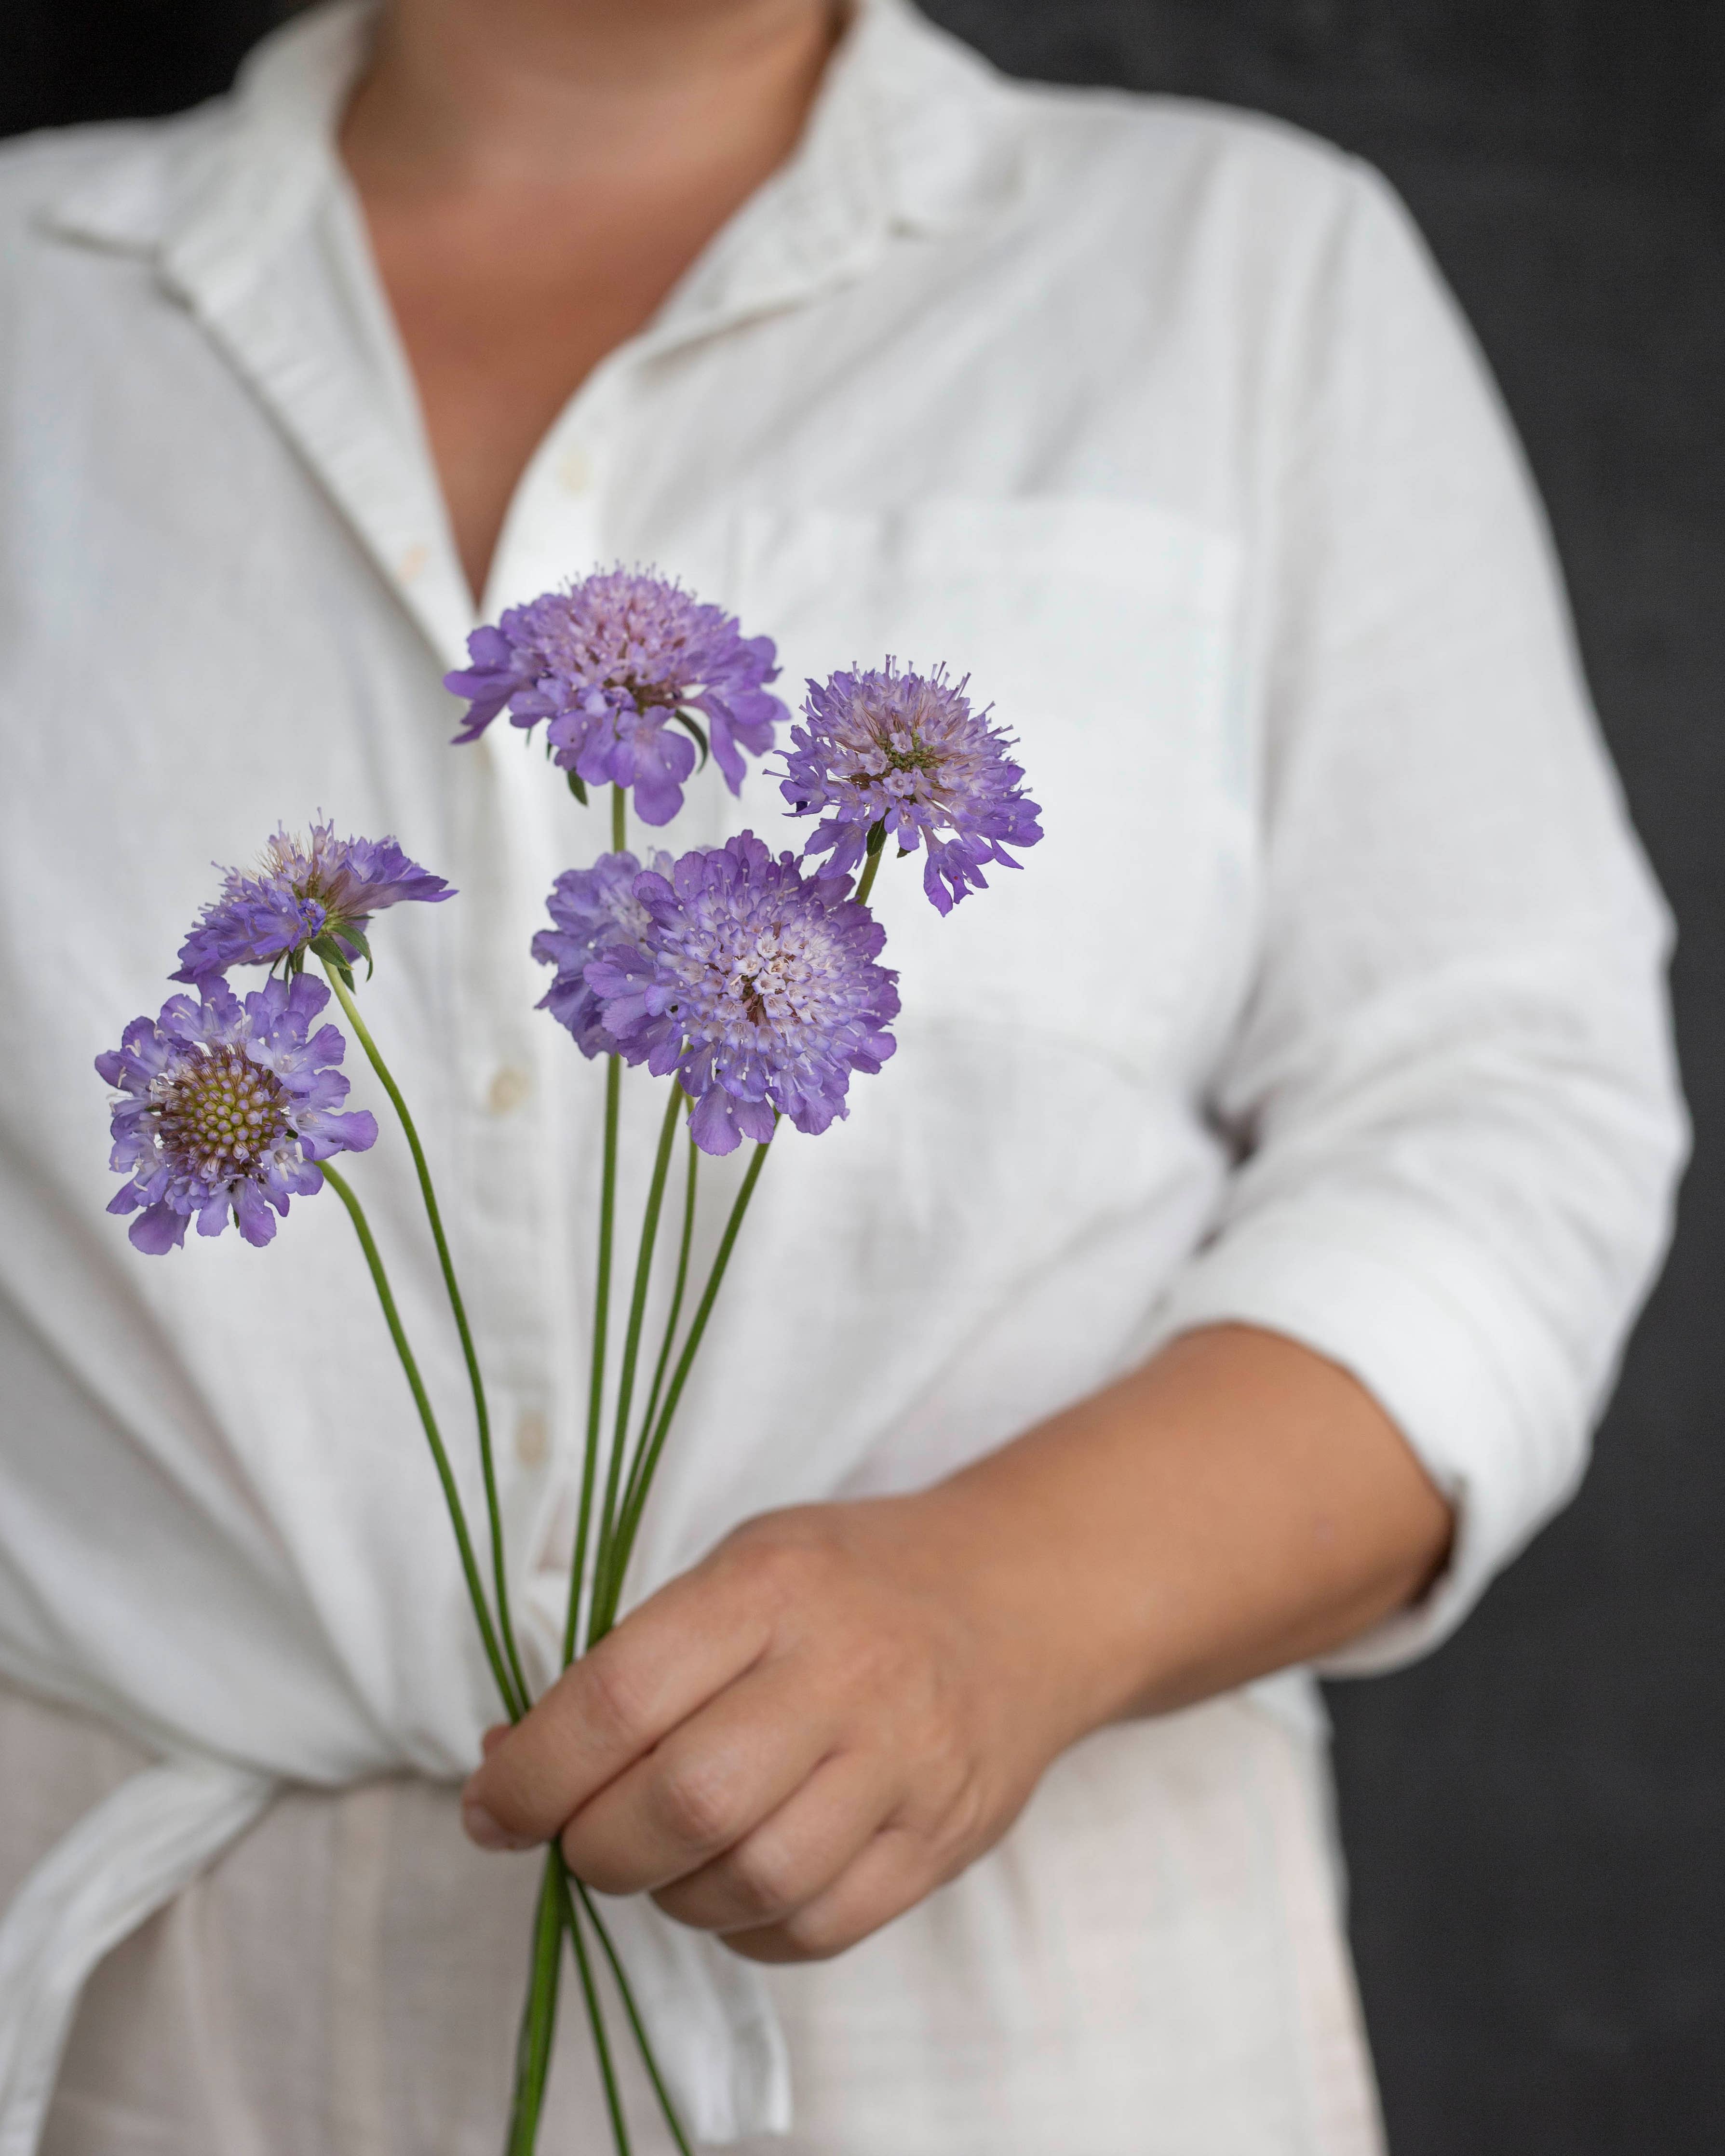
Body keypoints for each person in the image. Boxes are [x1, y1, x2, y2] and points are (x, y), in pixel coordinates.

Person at [0, 0, 1684, 2149]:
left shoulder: (1246, 268)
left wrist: (1016, 1601)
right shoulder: (37, 305)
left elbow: (1507, 1106)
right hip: (136, 2013)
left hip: (1015, 2010)